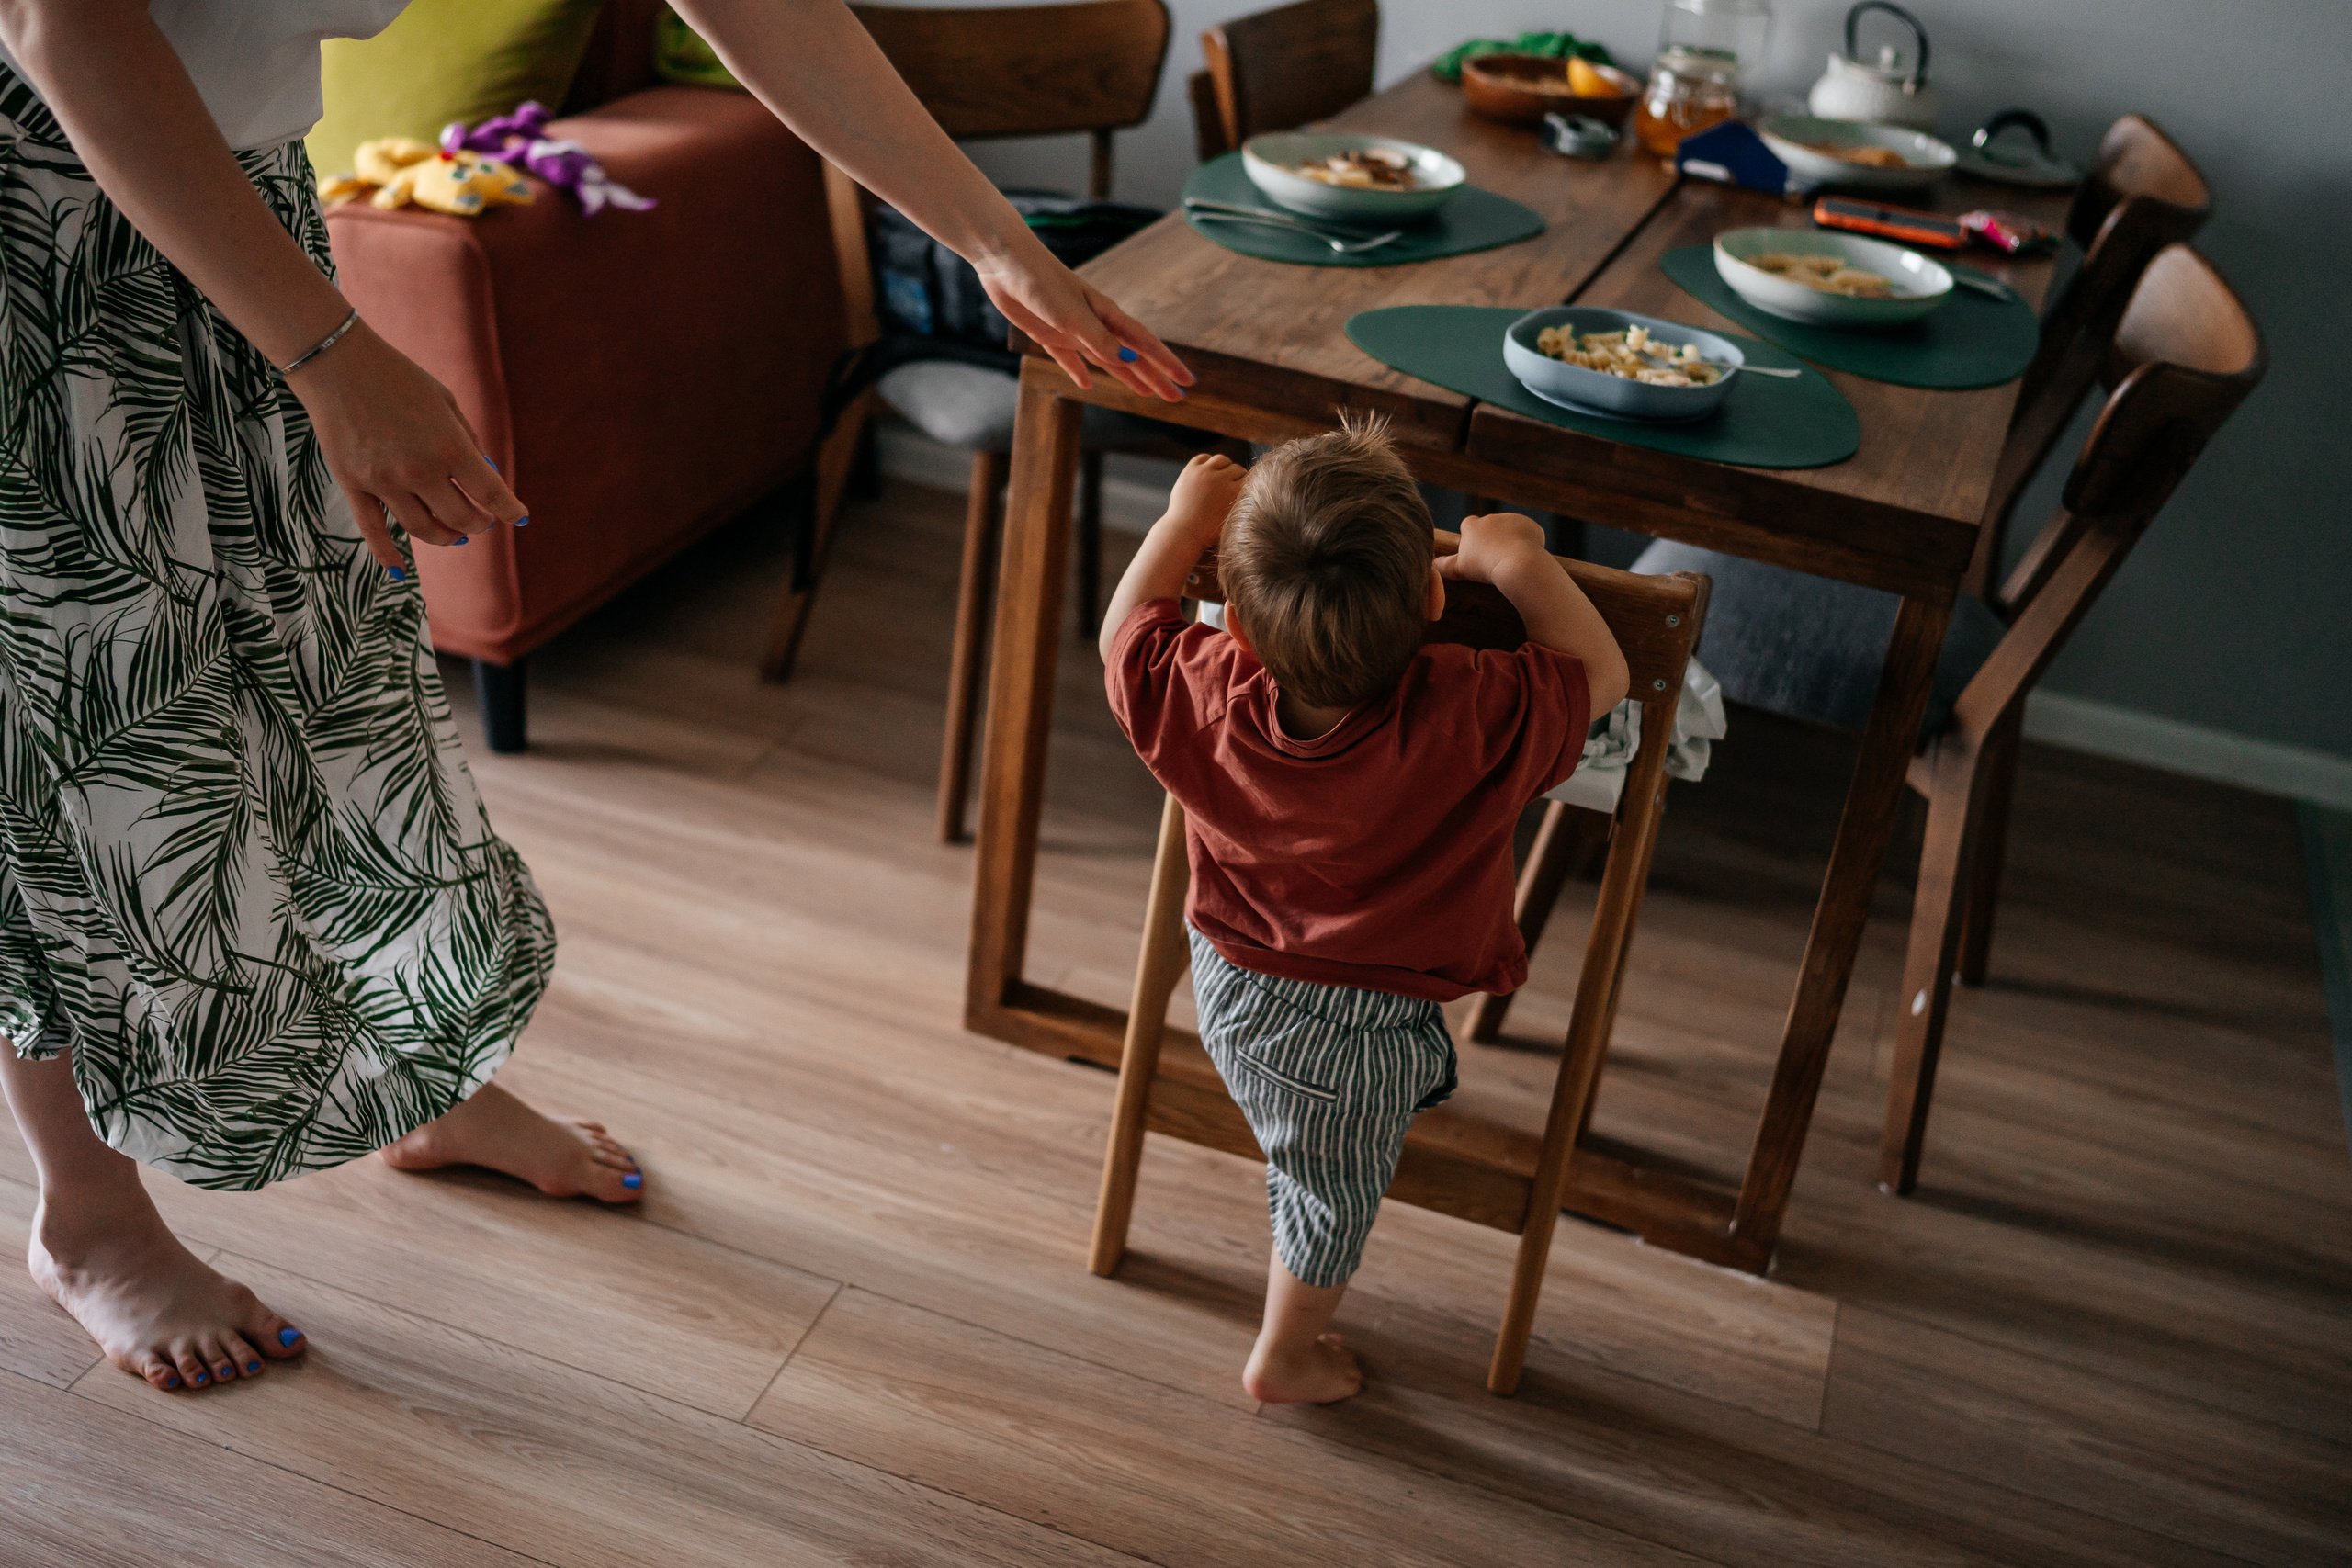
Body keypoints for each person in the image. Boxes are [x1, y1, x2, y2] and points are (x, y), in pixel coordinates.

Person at [0, 0, 1191, 1397]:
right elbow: (60, 26)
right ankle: (84, 1211)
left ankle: (420, 1081)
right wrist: (336, 355)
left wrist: (991, 240)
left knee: (337, 687)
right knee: (91, 736)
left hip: (240, 190)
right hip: (35, 229)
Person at [1099, 428, 1626, 1403]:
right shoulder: (1471, 712)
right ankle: (1282, 1358)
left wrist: (1179, 526)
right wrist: (1518, 565)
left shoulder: (1204, 687)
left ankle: (1285, 1331)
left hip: (1228, 977)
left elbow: (1123, 632)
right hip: (1352, 1031)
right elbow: (1603, 673)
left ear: (1238, 630)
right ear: (1433, 601)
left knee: (1308, 1164)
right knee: (1328, 1197)